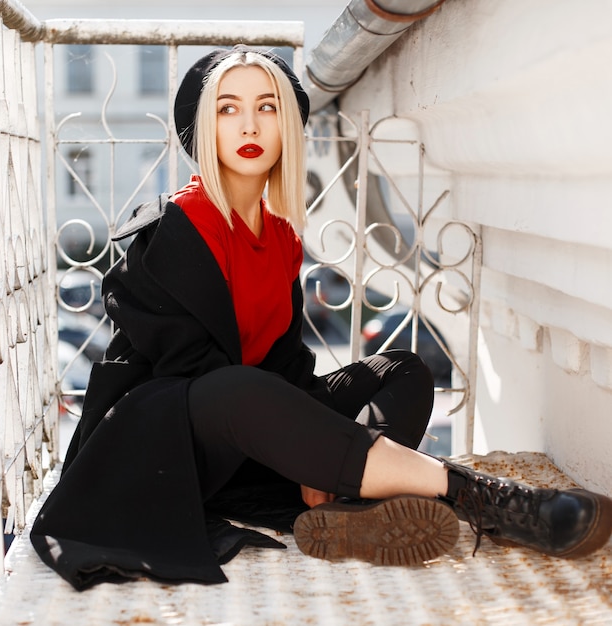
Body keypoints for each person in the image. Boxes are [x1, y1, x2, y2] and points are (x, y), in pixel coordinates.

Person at [30, 45, 612, 591]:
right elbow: (190, 375)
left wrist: (312, 436)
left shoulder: (280, 234)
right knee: (236, 388)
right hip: (172, 447)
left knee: (402, 369)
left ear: (287, 126)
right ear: (204, 129)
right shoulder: (170, 231)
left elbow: (285, 364)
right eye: (229, 110)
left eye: (267, 107)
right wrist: (306, 441)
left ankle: (343, 509)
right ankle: (487, 500)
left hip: (260, 422)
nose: (250, 126)